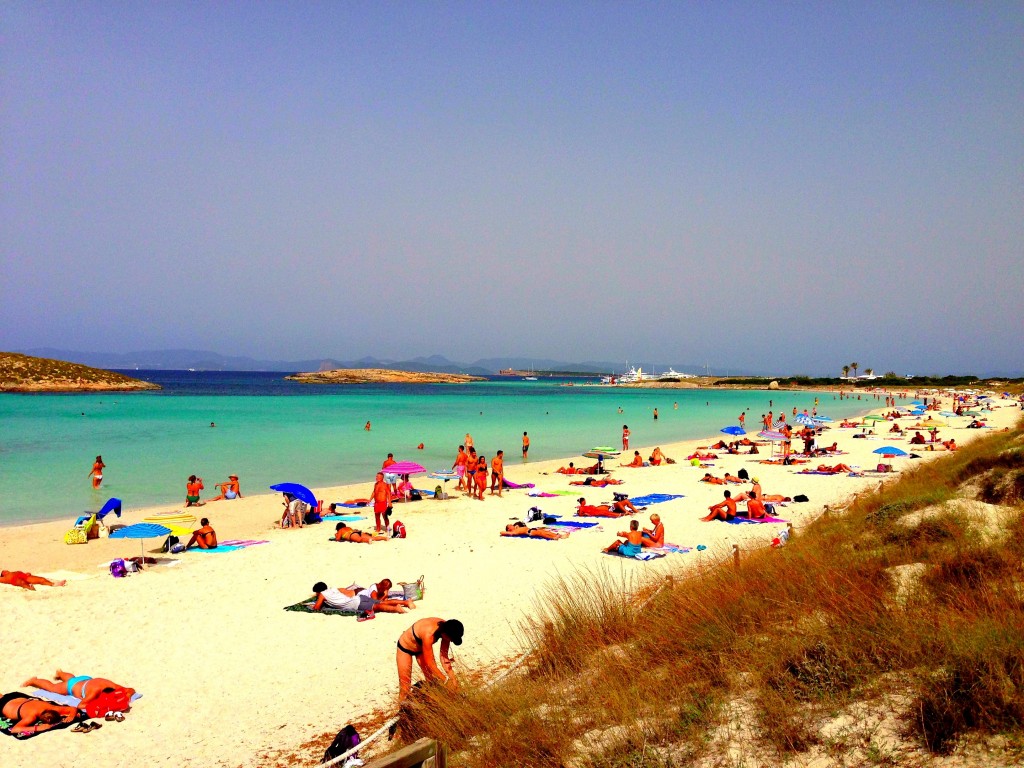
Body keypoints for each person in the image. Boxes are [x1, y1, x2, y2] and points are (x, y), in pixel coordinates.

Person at [395, 617, 463, 703]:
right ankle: (401, 711)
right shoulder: (429, 634)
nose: (451, 641)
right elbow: (430, 663)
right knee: (405, 687)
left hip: (421, 649)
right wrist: (446, 681)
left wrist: (453, 679)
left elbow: (444, 657)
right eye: (451, 639)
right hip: (405, 648)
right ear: (445, 634)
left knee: (432, 681)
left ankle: (430, 706)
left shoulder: (448, 628)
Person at [23, 671, 135, 714]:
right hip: (71, 687)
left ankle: (60, 673)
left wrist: (128, 695)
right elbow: (81, 705)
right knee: (53, 688)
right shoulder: (94, 692)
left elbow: (130, 690)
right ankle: (34, 680)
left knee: (72, 678)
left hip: (85, 679)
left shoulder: (111, 685)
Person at [0, 691, 80, 735]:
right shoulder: (31, 716)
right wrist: (37, 728)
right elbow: (15, 729)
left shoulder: (52, 707)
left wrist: (72, 716)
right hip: (3, 704)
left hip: (16, 696)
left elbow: (72, 709)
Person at [1, 570, 66, 590]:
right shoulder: (4, 578)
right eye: (3, 571)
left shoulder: (13, 572)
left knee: (41, 579)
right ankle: (30, 588)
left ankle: (53, 584)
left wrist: (28, 574)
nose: (5, 570)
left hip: (24, 576)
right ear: (3, 574)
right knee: (22, 582)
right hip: (15, 579)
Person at [501, 521, 568, 540]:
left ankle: (559, 536)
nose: (511, 524)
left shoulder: (516, 528)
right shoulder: (513, 532)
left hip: (530, 529)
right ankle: (553, 537)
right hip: (529, 532)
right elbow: (502, 532)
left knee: (544, 531)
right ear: (509, 529)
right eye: (510, 525)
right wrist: (508, 532)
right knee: (541, 533)